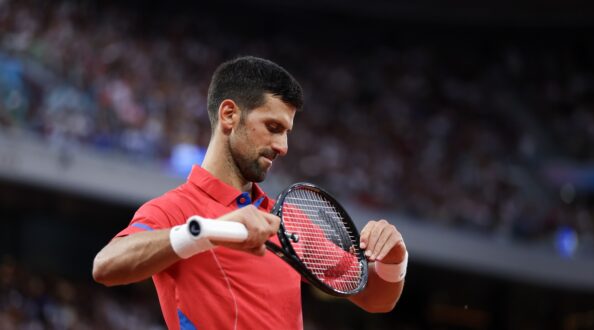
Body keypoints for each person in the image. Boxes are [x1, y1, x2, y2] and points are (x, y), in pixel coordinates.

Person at [92, 56, 408, 329]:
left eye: (286, 132)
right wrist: (212, 231)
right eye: (273, 127)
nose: (283, 147)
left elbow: (374, 298)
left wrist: (395, 259)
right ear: (229, 115)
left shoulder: (285, 221)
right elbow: (106, 265)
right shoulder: (176, 209)